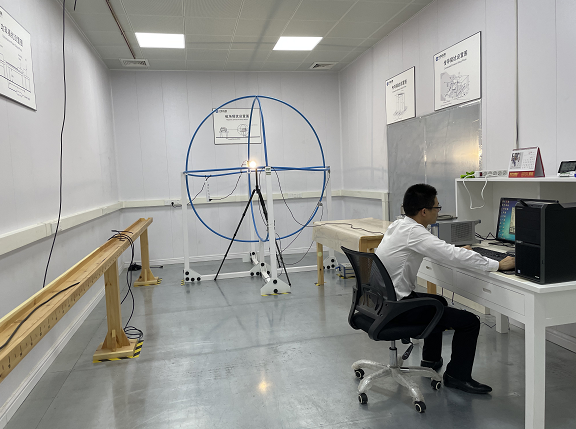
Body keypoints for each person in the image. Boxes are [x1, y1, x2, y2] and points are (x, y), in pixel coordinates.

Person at [375, 183, 515, 394]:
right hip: (397, 308)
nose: (439, 211)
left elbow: (441, 250)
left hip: (381, 301)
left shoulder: (399, 225)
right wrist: (497, 264)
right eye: (437, 207)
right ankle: (457, 376)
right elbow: (450, 254)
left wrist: (456, 250)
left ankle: (430, 360)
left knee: (438, 301)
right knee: (469, 322)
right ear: (424, 211)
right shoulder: (414, 233)